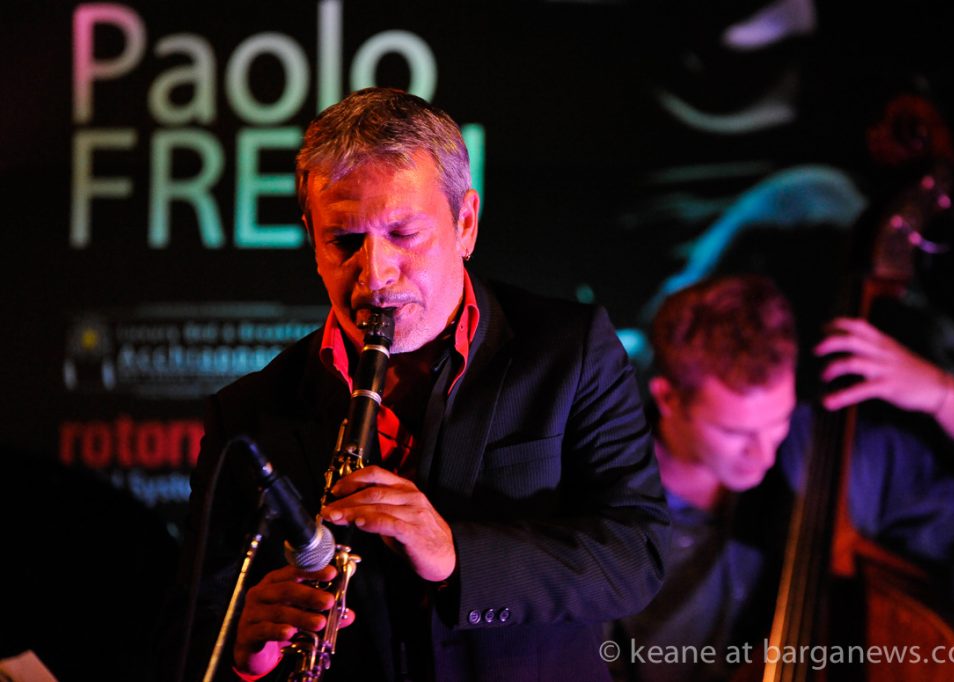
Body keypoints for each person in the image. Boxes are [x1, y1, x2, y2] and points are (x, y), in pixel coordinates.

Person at [158, 87, 669, 682]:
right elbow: (195, 630)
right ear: (313, 240)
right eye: (344, 241)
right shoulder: (249, 411)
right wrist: (243, 649)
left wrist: (456, 555)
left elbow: (636, 555)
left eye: (402, 233)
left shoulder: (570, 350)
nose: (374, 274)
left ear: (466, 224)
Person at [612, 274, 954, 682]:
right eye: (735, 432)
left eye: (778, 420)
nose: (763, 453)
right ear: (669, 398)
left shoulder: (828, 450)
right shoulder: (598, 507)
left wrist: (948, 398)